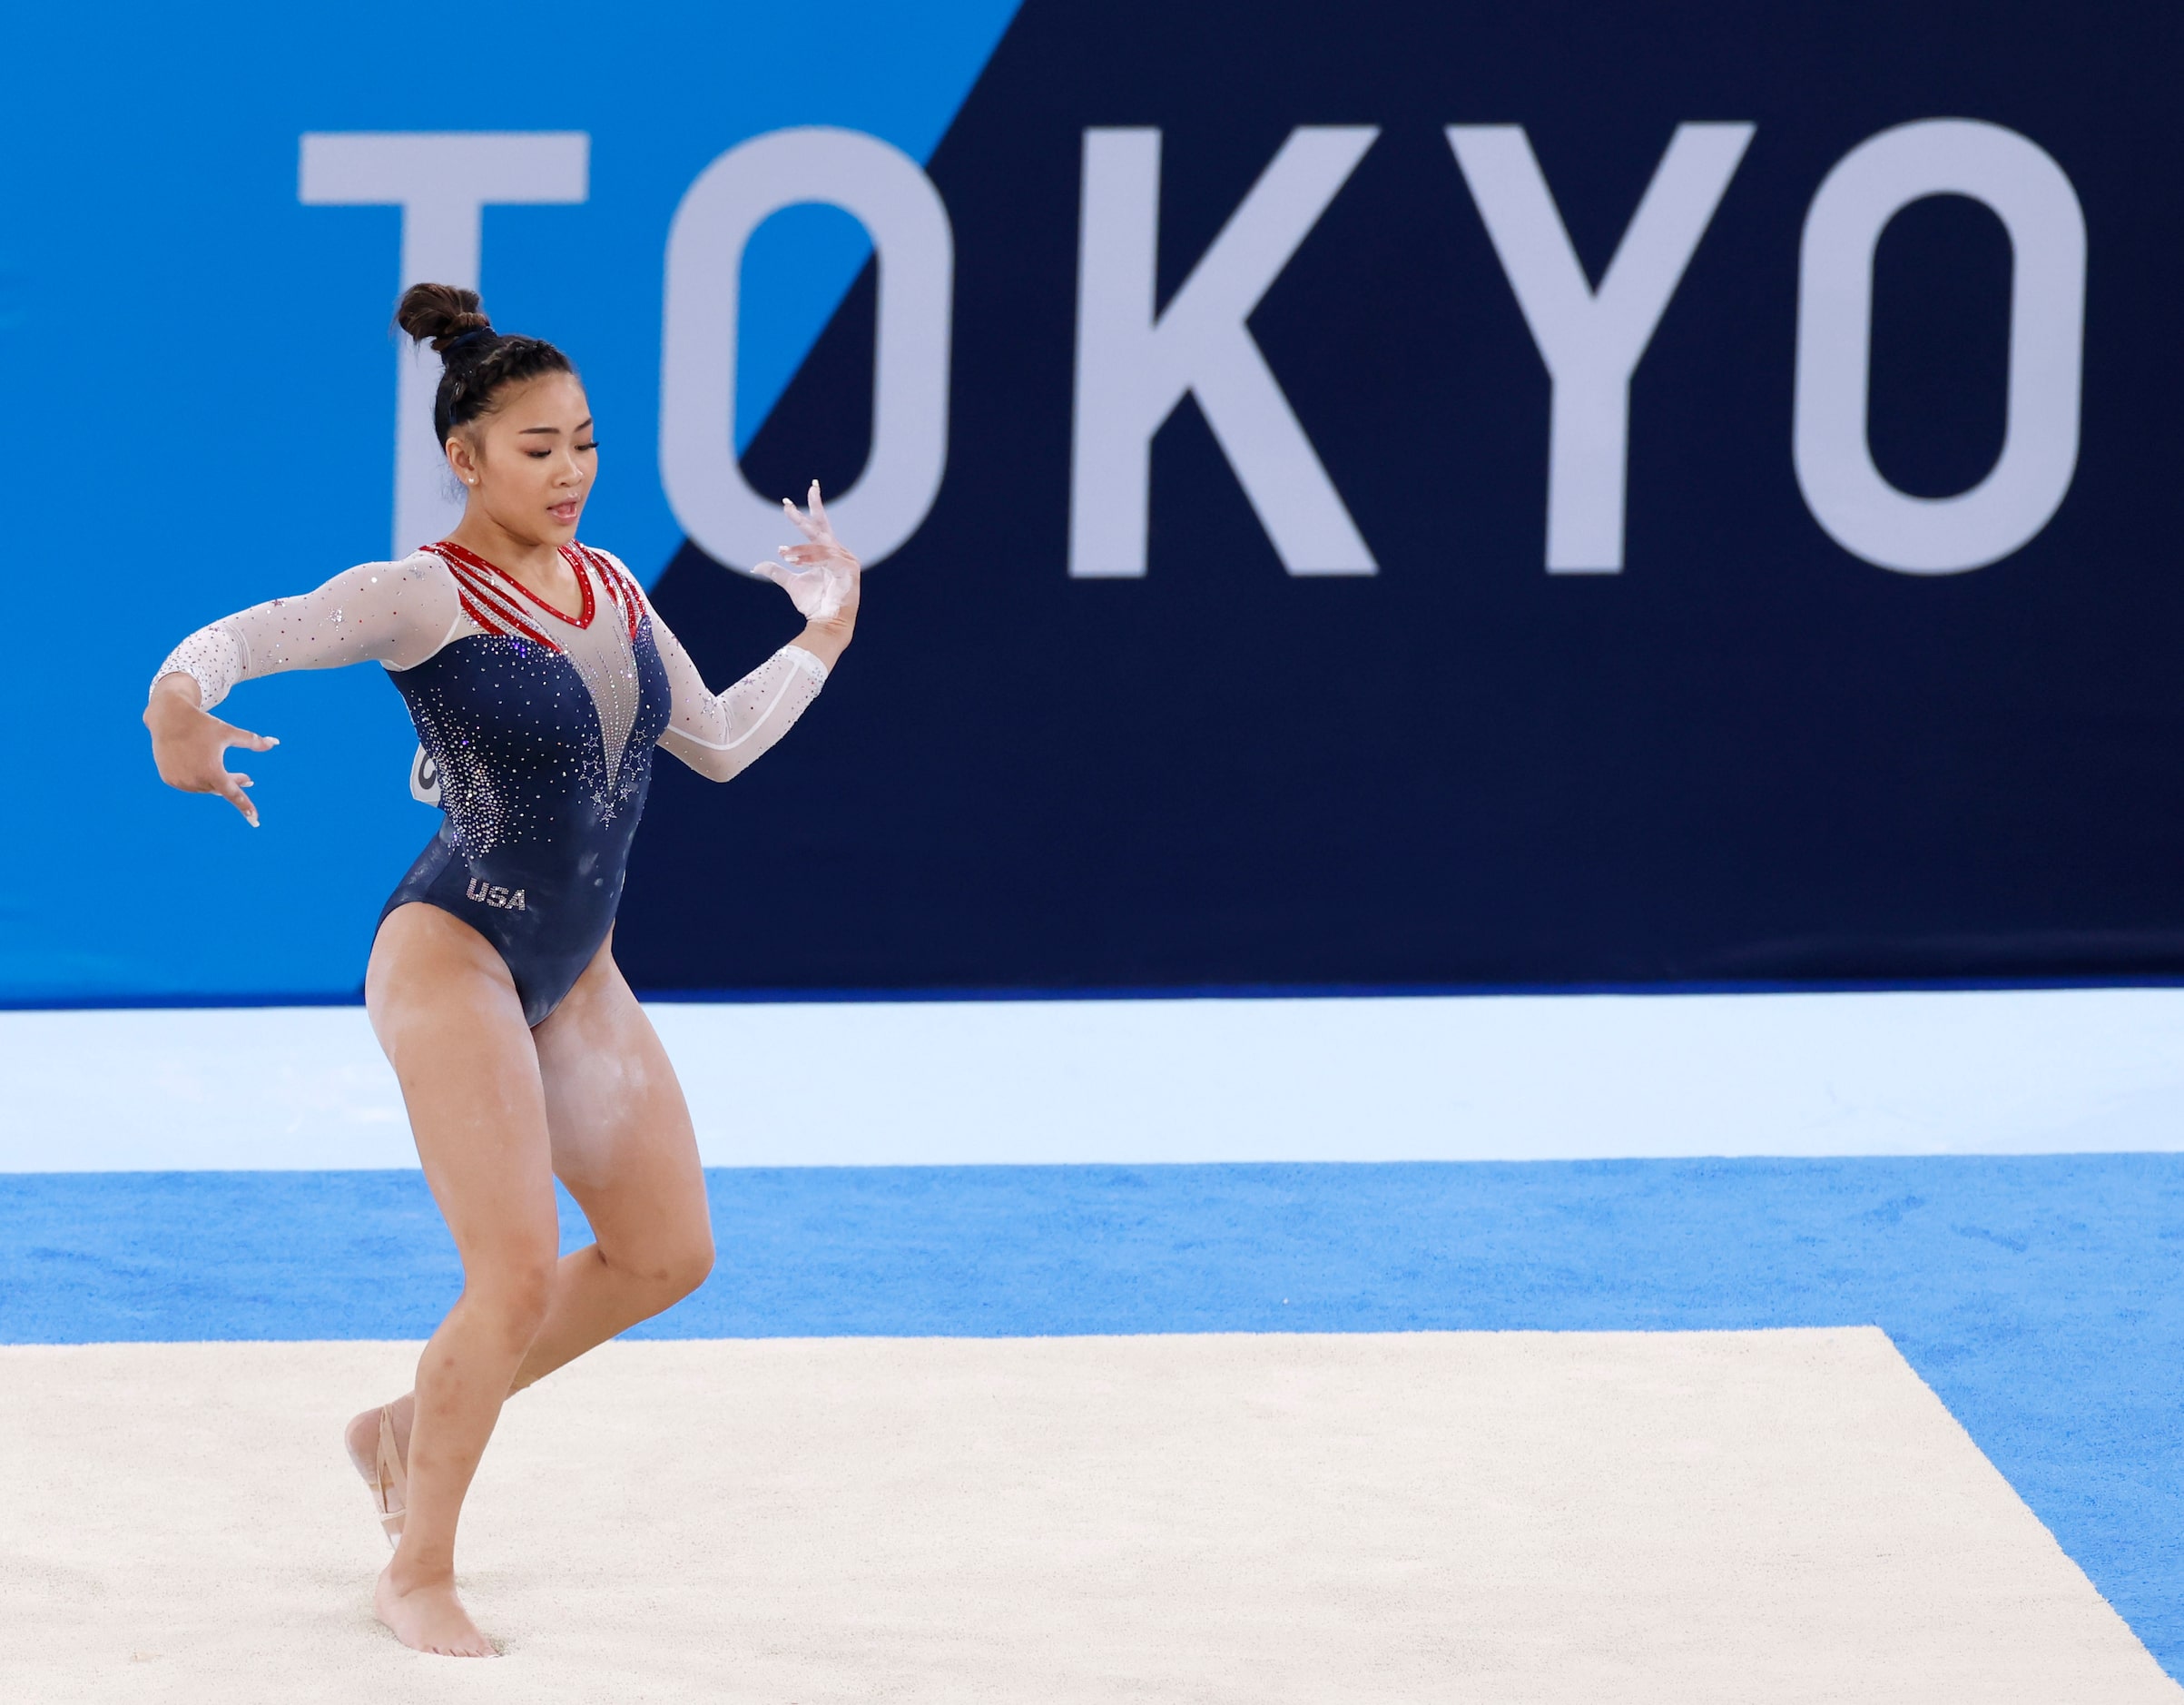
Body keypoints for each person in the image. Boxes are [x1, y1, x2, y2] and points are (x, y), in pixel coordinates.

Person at [142, 283, 861, 1657]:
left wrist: (822, 631)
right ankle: (416, 1566)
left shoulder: (614, 588)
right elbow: (254, 635)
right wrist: (176, 706)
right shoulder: (423, 595)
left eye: (585, 442)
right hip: (454, 950)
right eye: (537, 449)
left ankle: (406, 1424)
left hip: (574, 965)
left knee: (667, 1252)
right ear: (464, 458)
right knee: (514, 1269)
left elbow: (711, 742)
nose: (571, 472)